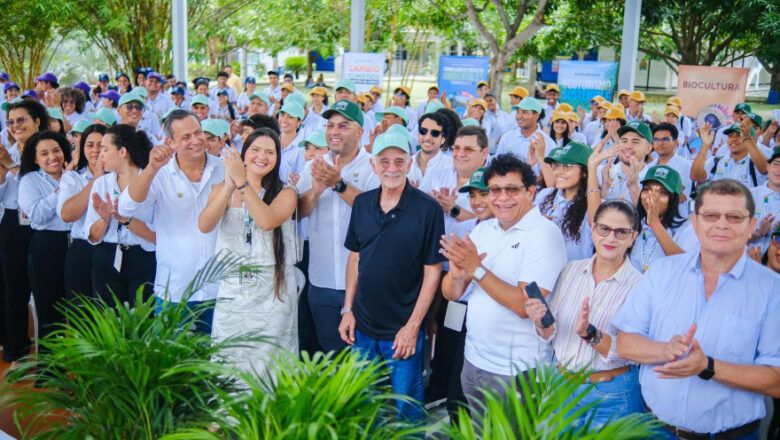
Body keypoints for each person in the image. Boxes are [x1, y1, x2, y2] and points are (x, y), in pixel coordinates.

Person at [613, 179, 780, 440]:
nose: (721, 224)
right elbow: (625, 343)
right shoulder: (661, 272)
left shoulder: (773, 289)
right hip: (654, 430)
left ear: (751, 226)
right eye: (711, 215)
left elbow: (776, 380)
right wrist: (665, 350)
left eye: (734, 217)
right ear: (695, 223)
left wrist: (707, 366)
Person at [440, 153, 567, 414]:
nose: (502, 198)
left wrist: (476, 268)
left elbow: (524, 305)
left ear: (531, 191)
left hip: (517, 370)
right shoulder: (483, 230)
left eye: (512, 189)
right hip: (474, 359)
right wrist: (456, 275)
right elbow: (451, 294)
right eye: (495, 190)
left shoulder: (544, 234)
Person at [339, 129, 445, 422]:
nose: (392, 168)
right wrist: (347, 309)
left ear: (409, 164)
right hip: (362, 325)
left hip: (402, 329)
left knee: (406, 407)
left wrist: (413, 327)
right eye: (384, 162)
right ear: (373, 165)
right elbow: (355, 257)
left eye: (399, 161)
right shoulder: (362, 204)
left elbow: (433, 272)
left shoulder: (428, 209)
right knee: (362, 403)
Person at [526, 200, 644, 429]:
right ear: (593, 229)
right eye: (604, 229)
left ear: (633, 237)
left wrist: (589, 334)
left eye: (621, 232)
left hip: (611, 395)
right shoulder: (570, 270)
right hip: (561, 386)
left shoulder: (641, 285)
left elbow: (635, 350)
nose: (611, 238)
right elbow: (551, 333)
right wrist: (541, 322)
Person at [200, 128, 299, 377]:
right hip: (234, 288)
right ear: (243, 154)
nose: (261, 157)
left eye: (270, 152)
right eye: (255, 150)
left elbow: (267, 221)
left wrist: (242, 183)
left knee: (270, 363)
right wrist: (228, 187)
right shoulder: (221, 188)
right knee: (230, 358)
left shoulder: (286, 192)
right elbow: (204, 225)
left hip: (273, 290)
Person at [118, 110, 225, 333]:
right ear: (170, 142)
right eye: (186, 137)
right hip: (175, 289)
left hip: (220, 288)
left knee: (218, 354)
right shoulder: (160, 173)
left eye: (198, 133)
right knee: (171, 353)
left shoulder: (224, 169)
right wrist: (151, 168)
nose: (196, 140)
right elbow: (127, 207)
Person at [296, 100, 378, 352]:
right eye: (330, 125)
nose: (334, 131)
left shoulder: (374, 166)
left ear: (360, 132)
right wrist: (316, 190)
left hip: (363, 283)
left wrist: (339, 185)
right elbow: (297, 213)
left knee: (362, 359)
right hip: (321, 280)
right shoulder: (313, 166)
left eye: (343, 126)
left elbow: (377, 214)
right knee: (330, 354)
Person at [0, 100, 49, 362]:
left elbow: (44, 184)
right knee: (13, 289)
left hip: (44, 224)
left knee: (47, 290)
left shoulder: (48, 150)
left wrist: (10, 166)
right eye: (11, 122)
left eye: (21, 120)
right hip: (12, 224)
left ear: (37, 121)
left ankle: (52, 352)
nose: (16, 125)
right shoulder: (6, 152)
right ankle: (16, 347)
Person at [86, 124, 156, 305]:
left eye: (105, 149)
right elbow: (92, 236)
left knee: (143, 318)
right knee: (108, 318)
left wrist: (124, 219)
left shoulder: (153, 182)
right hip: (107, 258)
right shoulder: (101, 183)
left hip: (144, 258)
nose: (100, 155)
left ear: (122, 152)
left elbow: (157, 237)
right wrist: (104, 219)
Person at [18, 131, 72, 344]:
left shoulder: (76, 175)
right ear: (35, 159)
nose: (52, 157)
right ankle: (50, 364)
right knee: (49, 310)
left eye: (56, 150)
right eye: (44, 153)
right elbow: (38, 215)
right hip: (47, 246)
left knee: (80, 307)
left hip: (76, 245)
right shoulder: (29, 181)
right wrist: (61, 189)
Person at [58, 124, 107, 299]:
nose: (96, 150)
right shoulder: (73, 177)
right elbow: (67, 215)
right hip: (82, 249)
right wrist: (97, 179)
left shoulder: (120, 176)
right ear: (82, 149)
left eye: (102, 145)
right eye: (90, 145)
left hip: (110, 248)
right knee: (80, 309)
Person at [420, 125, 490, 233]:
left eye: (468, 149)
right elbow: (418, 209)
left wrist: (452, 209)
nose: (460, 154)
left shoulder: (493, 181)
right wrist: (431, 205)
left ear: (484, 153)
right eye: (456, 148)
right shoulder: (436, 175)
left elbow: (491, 224)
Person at [534, 141, 594, 260]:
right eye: (556, 165)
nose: (559, 171)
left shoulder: (592, 206)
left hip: (573, 269)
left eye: (567, 166)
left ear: (585, 172)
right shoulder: (545, 194)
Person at [693, 120, 769, 189]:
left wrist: (748, 140)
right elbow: (695, 176)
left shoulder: (754, 164)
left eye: (739, 135)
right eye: (730, 136)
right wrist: (705, 145)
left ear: (749, 138)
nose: (733, 139)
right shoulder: (716, 161)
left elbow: (765, 169)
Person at [595, 121, 652, 204]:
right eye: (624, 141)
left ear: (649, 148)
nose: (628, 146)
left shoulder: (653, 180)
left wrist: (634, 188)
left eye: (635, 142)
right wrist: (604, 190)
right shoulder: (600, 173)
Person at [647, 122, 693, 216]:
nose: (660, 143)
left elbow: (680, 197)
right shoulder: (649, 167)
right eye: (656, 139)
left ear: (675, 142)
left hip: (678, 217)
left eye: (665, 139)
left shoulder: (685, 165)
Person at [495, 97, 555, 162]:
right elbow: (497, 163)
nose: (519, 116)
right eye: (518, 112)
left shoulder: (548, 143)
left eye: (525, 112)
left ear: (536, 116)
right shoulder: (507, 138)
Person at [408, 111, 454, 185]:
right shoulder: (406, 164)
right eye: (423, 131)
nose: (427, 138)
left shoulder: (452, 167)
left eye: (435, 133)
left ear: (443, 139)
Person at [749, 147, 780, 254]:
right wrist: (759, 233)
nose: (779, 170)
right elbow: (735, 238)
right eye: (776, 164)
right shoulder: (750, 195)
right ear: (768, 166)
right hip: (750, 260)